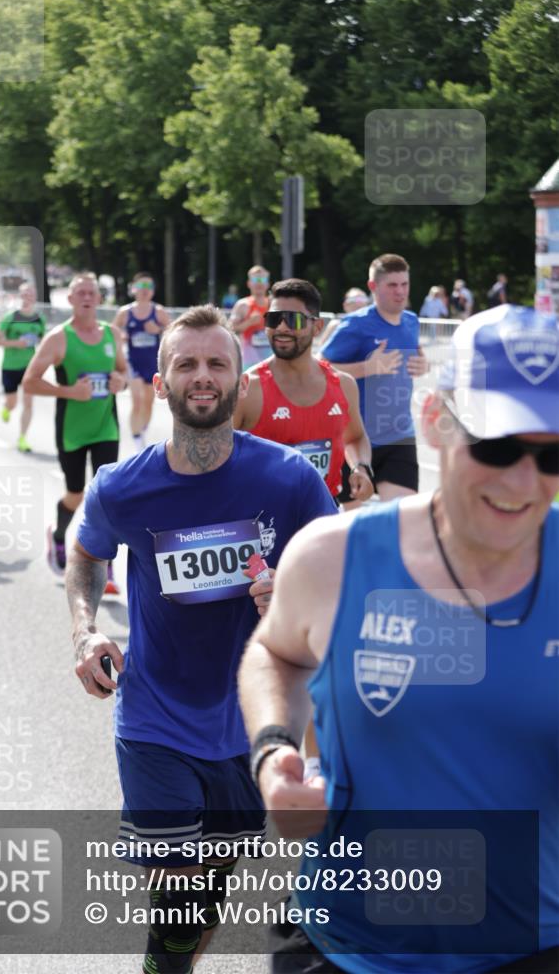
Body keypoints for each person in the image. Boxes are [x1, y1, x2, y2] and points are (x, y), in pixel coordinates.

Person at [239, 304, 559, 974]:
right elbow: (276, 651)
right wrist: (274, 752)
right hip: (346, 948)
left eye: (551, 455)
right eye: (496, 447)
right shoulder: (333, 555)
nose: (522, 482)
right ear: (435, 419)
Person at [66, 305, 336, 973]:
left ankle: (170, 962)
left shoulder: (287, 479)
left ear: (242, 383)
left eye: (217, 363)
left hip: (250, 725)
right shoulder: (120, 488)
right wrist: (85, 627)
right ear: (159, 384)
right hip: (155, 716)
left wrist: (291, 588)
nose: (202, 376)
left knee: (210, 874)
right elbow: (85, 555)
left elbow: (339, 568)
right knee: (179, 873)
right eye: (185, 363)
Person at [22, 273, 127, 594]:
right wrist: (69, 392)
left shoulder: (112, 335)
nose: (86, 297)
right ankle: (57, 536)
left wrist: (119, 382)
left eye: (91, 292)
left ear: (99, 299)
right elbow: (29, 381)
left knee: (105, 495)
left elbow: (122, 370)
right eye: (80, 292)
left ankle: (105, 567)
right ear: (69, 299)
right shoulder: (58, 338)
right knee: (76, 494)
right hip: (71, 430)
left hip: (106, 426)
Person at [234, 278, 374, 508]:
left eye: (292, 320)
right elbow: (215, 458)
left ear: (317, 327)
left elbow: (356, 437)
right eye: (274, 319)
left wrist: (361, 467)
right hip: (264, 524)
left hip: (322, 518)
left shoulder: (343, 386)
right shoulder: (247, 389)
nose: (281, 327)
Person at [320, 254, 429, 506]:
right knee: (354, 523)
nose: (400, 292)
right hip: (354, 439)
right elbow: (321, 368)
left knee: (403, 516)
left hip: (398, 436)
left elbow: (417, 353)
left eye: (404, 284)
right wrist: (367, 367)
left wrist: (424, 364)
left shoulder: (411, 322)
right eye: (392, 285)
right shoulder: (355, 325)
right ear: (373, 287)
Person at [114, 272, 170, 452]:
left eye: (149, 287)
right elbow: (112, 333)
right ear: (134, 289)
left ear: (153, 291)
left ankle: (142, 430)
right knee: (136, 401)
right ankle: (137, 439)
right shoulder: (125, 312)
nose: (145, 291)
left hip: (152, 363)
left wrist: (159, 329)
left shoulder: (158, 311)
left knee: (148, 402)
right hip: (133, 363)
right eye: (141, 286)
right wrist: (121, 337)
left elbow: (174, 332)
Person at [0, 283, 46, 453]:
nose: (27, 297)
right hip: (10, 366)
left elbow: (43, 342)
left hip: (30, 367)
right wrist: (17, 343)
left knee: (28, 403)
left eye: (30, 294)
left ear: (35, 297)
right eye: (24, 294)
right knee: (13, 402)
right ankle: (6, 408)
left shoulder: (39, 319)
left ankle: (23, 437)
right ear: (20, 297)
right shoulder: (10, 317)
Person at [229, 265, 272, 369]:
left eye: (263, 279)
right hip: (248, 361)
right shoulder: (242, 305)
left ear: (268, 284)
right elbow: (229, 329)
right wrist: (249, 322)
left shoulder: (273, 305)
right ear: (249, 283)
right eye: (255, 279)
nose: (259, 282)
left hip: (271, 360)